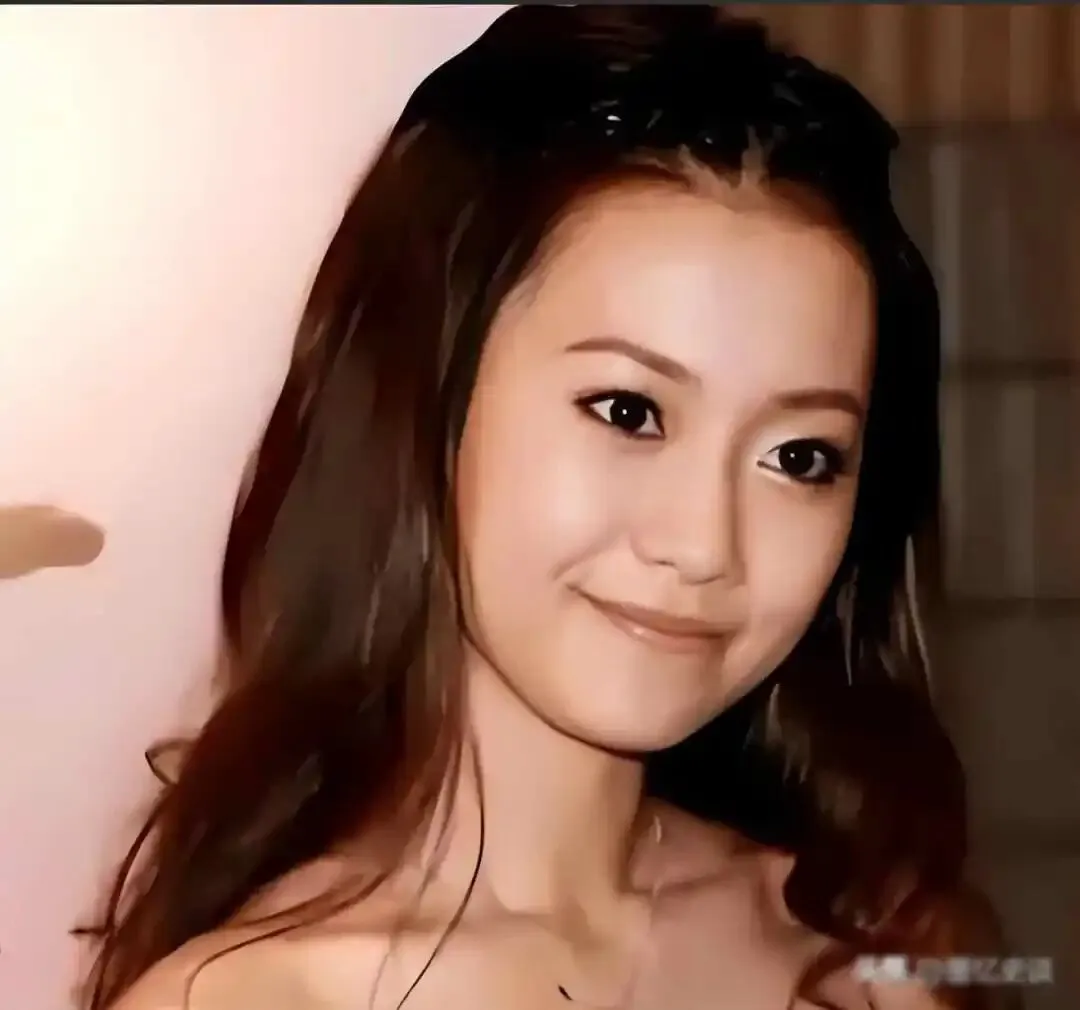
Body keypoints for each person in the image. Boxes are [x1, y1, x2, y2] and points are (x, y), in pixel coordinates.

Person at [80, 7, 1006, 1010]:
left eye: (798, 456)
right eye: (629, 411)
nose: (704, 544)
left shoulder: (870, 953)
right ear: (425, 400)